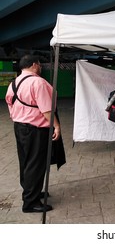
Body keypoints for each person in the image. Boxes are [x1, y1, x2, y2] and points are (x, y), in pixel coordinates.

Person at [5, 55, 61, 213]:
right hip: (35, 129)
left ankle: (31, 192)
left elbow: (9, 102)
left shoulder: (14, 83)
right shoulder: (38, 82)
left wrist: (18, 118)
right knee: (35, 164)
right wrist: (56, 126)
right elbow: (46, 110)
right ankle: (30, 203)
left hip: (20, 127)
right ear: (35, 65)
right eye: (40, 65)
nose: (41, 67)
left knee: (26, 161)